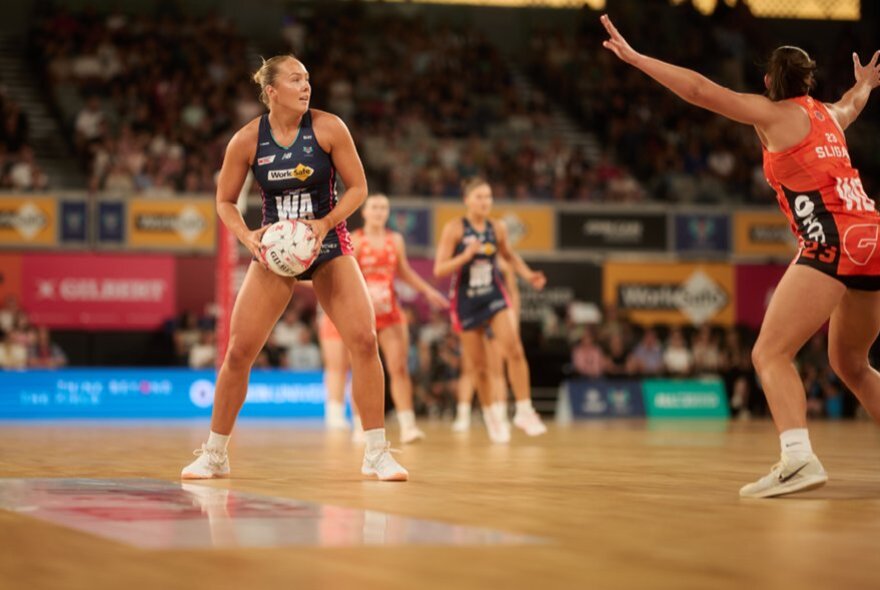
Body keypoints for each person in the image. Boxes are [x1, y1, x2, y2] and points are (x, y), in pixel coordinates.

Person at [601, 14, 880, 498]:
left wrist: (637, 58)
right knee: (851, 363)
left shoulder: (772, 115)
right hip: (872, 236)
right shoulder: (828, 115)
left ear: (769, 82)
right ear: (808, 80)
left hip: (832, 241)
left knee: (769, 353)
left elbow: (699, 90)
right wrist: (865, 85)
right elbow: (852, 104)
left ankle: (798, 458)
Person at [181, 55, 407, 482]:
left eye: (308, 78)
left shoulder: (329, 127)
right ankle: (215, 454)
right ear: (271, 92)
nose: (306, 86)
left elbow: (358, 187)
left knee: (363, 339)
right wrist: (249, 237)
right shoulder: (247, 140)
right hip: (275, 253)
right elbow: (224, 202)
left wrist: (323, 224)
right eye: (296, 79)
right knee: (238, 352)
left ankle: (377, 451)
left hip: (327, 244)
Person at [319, 194, 449, 444]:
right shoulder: (354, 239)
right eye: (374, 207)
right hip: (361, 313)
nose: (379, 211)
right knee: (361, 368)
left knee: (399, 368)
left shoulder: (395, 240)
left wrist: (428, 292)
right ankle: (360, 425)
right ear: (365, 212)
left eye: (383, 208)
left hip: (390, 313)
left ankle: (408, 424)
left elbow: (405, 272)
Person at [435, 177, 548, 443]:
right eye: (479, 197)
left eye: (488, 197)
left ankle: (524, 410)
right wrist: (465, 255)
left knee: (514, 349)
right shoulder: (455, 228)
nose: (485, 202)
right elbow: (440, 269)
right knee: (479, 367)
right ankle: (491, 417)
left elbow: (509, 256)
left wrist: (528, 274)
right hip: (466, 300)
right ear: (467, 201)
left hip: (493, 295)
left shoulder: (497, 228)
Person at [451, 256, 521, 434]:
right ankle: (463, 414)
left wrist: (513, 322)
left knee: (497, 369)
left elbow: (512, 294)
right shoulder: (466, 257)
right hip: (472, 313)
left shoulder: (503, 263)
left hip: (496, 314)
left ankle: (501, 414)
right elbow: (458, 289)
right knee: (469, 368)